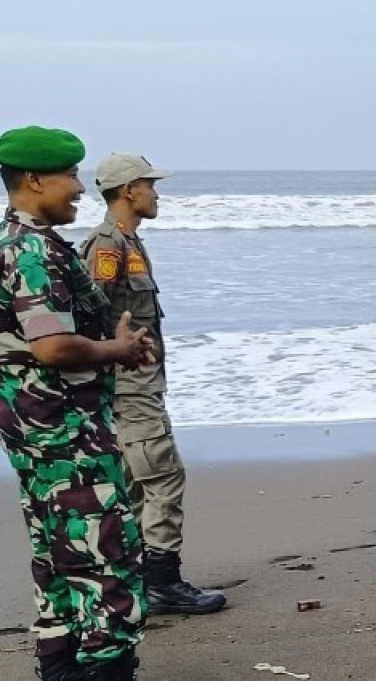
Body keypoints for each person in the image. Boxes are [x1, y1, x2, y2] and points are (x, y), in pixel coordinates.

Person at [0, 126, 153, 681]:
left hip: (39, 437)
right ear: (33, 180)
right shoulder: (32, 249)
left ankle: (61, 670)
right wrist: (117, 347)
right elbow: (53, 346)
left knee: (60, 569)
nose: (78, 188)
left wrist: (114, 345)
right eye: (68, 176)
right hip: (68, 438)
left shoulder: (18, 242)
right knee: (110, 565)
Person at [78, 152, 227, 616]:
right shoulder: (108, 245)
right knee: (162, 477)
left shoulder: (129, 242)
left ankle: (139, 578)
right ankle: (162, 581)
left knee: (139, 481)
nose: (155, 192)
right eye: (148, 184)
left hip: (137, 381)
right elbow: (91, 312)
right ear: (128, 191)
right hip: (129, 385)